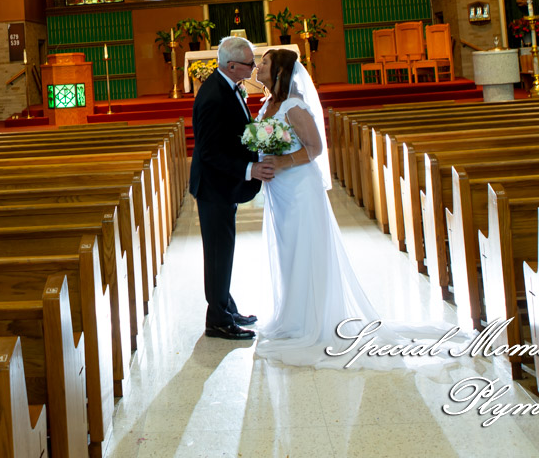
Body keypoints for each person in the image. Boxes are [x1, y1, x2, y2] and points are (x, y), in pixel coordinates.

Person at [252, 48, 460, 367]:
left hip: (300, 191)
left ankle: (312, 323)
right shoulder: (268, 104)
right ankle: (291, 316)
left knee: (304, 250)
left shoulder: (294, 107)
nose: (258, 66)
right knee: (287, 252)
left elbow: (316, 148)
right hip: (280, 192)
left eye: (264, 62)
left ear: (279, 72)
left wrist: (282, 161)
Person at [189, 35, 275, 341]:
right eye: (251, 63)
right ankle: (217, 321)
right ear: (233, 65)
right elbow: (210, 152)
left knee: (223, 251)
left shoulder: (227, 85)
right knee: (217, 254)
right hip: (214, 188)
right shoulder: (213, 96)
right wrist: (250, 168)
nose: (254, 68)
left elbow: (233, 133)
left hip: (222, 186)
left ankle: (226, 306)